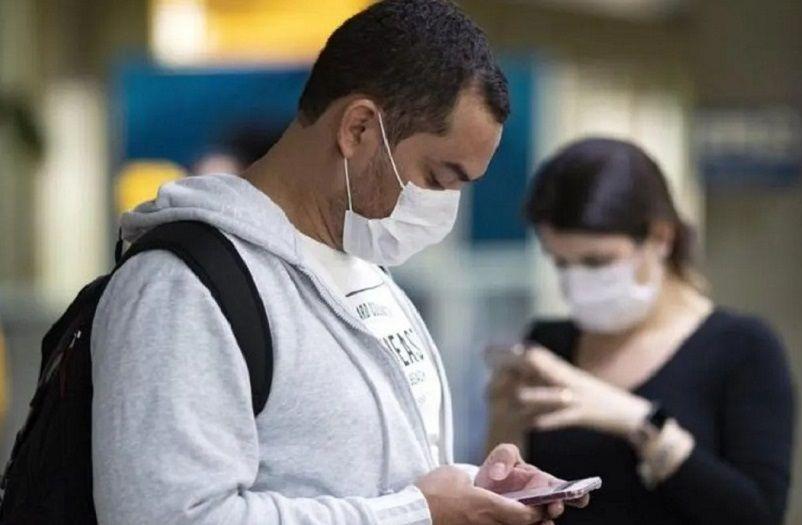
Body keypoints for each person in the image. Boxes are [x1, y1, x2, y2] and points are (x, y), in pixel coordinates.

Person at [91, 1, 589, 524]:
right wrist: (416, 514)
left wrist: (474, 493)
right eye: (438, 177)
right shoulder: (183, 288)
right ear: (358, 129)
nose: (444, 205)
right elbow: (167, 516)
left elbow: (370, 481)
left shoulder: (361, 266)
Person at [487, 137, 795, 524]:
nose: (577, 282)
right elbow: (504, 502)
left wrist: (640, 421)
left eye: (596, 262)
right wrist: (502, 426)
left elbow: (759, 515)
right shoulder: (549, 345)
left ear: (660, 238)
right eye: (561, 263)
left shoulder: (742, 349)